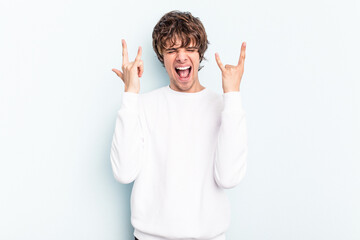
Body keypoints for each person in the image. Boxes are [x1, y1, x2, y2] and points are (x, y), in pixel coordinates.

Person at [110, 10, 248, 240]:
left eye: (190, 49)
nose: (181, 57)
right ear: (161, 57)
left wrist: (232, 95)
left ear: (200, 54)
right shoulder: (142, 105)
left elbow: (229, 177)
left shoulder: (223, 106)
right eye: (172, 50)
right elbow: (124, 173)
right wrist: (130, 94)